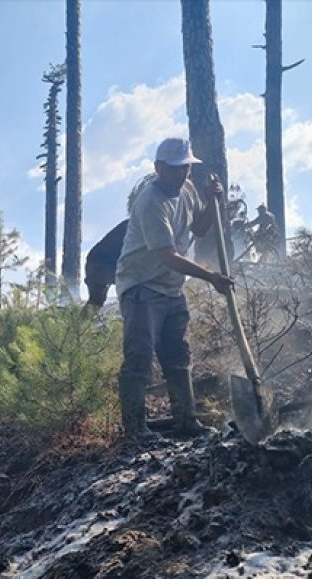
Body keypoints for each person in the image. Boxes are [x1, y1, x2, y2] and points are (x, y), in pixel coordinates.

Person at [116, 137, 233, 438]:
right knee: (139, 357)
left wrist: (211, 201)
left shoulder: (188, 189)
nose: (182, 174)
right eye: (176, 169)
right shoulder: (150, 204)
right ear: (159, 168)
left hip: (170, 288)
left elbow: (200, 228)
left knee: (178, 356)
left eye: (186, 168)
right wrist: (212, 278)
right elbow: (168, 257)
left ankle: (186, 419)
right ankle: (135, 429)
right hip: (141, 286)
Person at [85, 174, 155, 310]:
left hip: (98, 263)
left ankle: (79, 327)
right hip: (101, 264)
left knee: (96, 302)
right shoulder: (135, 226)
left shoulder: (133, 225)